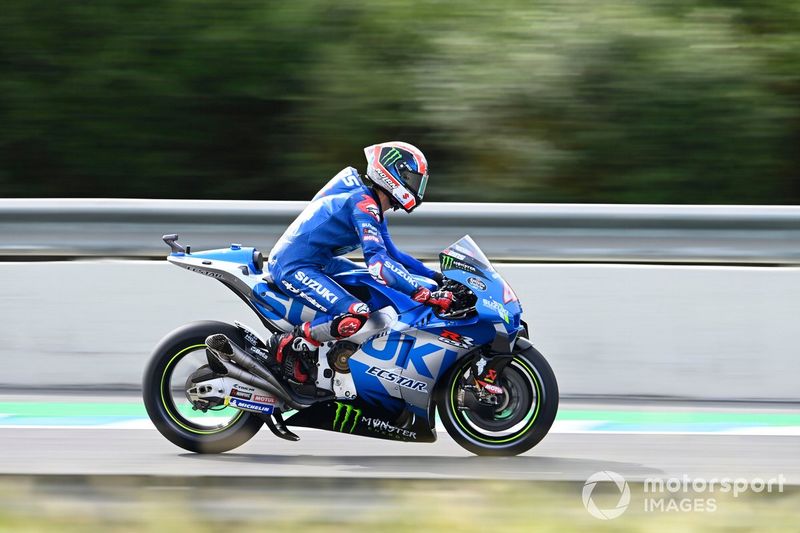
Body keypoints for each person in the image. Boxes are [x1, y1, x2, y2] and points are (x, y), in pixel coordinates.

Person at [263, 141, 454, 384]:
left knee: (375, 294)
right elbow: (378, 264)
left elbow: (394, 255)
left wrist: (437, 278)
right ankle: (287, 343)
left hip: (321, 262)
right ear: (393, 174)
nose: (417, 187)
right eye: (413, 179)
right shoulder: (362, 203)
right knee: (354, 314)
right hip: (294, 265)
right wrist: (422, 293)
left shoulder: (372, 206)